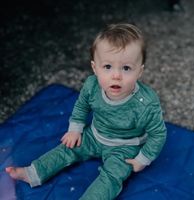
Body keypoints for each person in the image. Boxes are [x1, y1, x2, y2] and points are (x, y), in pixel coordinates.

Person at [5, 23, 167, 200]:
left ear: (139, 72)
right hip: (95, 135)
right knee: (67, 148)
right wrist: (75, 129)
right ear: (95, 68)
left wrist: (143, 159)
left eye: (126, 68)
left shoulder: (146, 102)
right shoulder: (92, 86)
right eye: (107, 67)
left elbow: (158, 134)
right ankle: (33, 173)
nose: (116, 76)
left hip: (126, 147)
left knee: (112, 177)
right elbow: (82, 106)